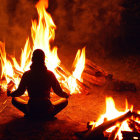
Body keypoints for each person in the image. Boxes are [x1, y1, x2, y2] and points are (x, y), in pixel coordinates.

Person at [7, 49, 69, 119]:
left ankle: (31, 114)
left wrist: (11, 94)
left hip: (31, 108)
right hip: (47, 108)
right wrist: (66, 95)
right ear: (44, 59)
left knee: (14, 100)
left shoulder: (27, 74)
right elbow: (58, 91)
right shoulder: (50, 74)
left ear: (32, 59)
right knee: (64, 100)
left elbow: (20, 92)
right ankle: (47, 115)